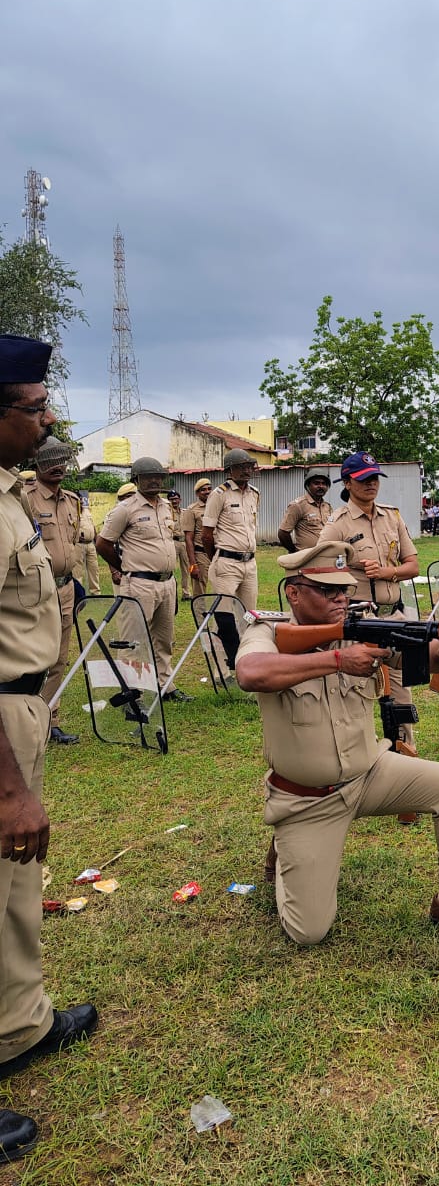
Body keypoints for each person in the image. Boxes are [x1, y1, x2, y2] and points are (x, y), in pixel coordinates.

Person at [235, 540, 439, 944]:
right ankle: (285, 843)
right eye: (327, 590)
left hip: (370, 773)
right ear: (293, 592)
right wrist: (336, 660)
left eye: (344, 590)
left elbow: (421, 657)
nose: (341, 599)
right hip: (308, 800)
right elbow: (251, 674)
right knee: (308, 932)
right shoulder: (267, 632)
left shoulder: (363, 626)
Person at [0, 335, 97, 1164]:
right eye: (35, 408)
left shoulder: (8, 495)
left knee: (15, 888)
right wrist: (8, 789)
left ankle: (19, 1026)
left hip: (23, 708)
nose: (51, 421)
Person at [319, 453, 419, 748]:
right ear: (347, 483)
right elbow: (319, 569)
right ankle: (355, 753)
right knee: (355, 690)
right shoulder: (338, 524)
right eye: (363, 479)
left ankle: (405, 750)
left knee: (401, 692)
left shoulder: (392, 516)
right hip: (359, 618)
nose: (370, 483)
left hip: (394, 616)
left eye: (374, 477)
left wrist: (386, 572)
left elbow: (412, 565)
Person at [96, 457, 192, 704]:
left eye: (158, 476)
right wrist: (124, 567)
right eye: (148, 477)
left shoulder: (165, 506)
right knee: (133, 641)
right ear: (136, 479)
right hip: (139, 584)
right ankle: (131, 693)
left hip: (167, 583)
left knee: (164, 639)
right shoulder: (125, 509)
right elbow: (103, 544)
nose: (154, 481)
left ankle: (164, 685)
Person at [23, 439, 82, 745]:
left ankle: (50, 719)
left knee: (59, 658)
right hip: (36, 591)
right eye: (50, 461)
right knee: (32, 657)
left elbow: (72, 542)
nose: (58, 466)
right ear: (37, 464)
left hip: (65, 588)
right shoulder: (26, 498)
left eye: (62, 460)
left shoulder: (71, 500)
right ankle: (25, 721)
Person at [201, 449, 260, 670]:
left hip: (249, 563)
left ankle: (248, 659)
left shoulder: (254, 493)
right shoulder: (219, 494)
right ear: (229, 470)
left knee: (250, 615)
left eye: (249, 466)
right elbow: (207, 534)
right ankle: (228, 664)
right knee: (224, 616)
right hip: (226, 561)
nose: (246, 470)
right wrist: (217, 558)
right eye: (241, 467)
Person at [277, 468, 332, 553]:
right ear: (308, 486)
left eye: (324, 483)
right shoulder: (298, 505)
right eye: (316, 483)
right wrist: (294, 551)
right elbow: (283, 533)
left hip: (326, 555)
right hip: (306, 557)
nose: (321, 486)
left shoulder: (327, 507)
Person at [181, 477, 212, 598]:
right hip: (201, 554)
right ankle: (200, 611)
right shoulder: (191, 510)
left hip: (218, 553)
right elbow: (188, 538)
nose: (207, 491)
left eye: (209, 488)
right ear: (197, 493)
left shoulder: (217, 507)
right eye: (203, 489)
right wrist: (193, 565)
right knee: (200, 591)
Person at [72, 490, 101, 597]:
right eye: (77, 499)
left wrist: (96, 542)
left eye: (80, 499)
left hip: (90, 544)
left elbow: (92, 526)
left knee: (94, 569)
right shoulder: (72, 512)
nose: (80, 501)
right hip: (78, 544)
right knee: (77, 571)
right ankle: (79, 595)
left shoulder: (87, 511)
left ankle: (96, 593)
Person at [166, 490, 192, 600]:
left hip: (184, 542)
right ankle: (172, 593)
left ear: (180, 500)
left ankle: (186, 593)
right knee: (170, 568)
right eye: (171, 499)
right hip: (173, 542)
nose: (174, 501)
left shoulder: (185, 512)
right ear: (168, 501)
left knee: (186, 569)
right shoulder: (167, 514)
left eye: (176, 499)